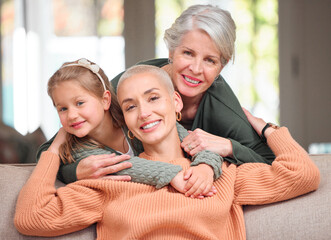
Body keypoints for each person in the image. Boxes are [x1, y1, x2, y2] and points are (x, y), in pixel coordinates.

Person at [15, 65, 320, 239]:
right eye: (132, 106)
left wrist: (267, 129)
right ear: (127, 122)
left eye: (153, 99)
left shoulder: (222, 176)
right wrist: (54, 149)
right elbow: (32, 217)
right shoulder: (113, 179)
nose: (144, 113)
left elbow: (303, 175)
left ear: (175, 103)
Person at [44, 4, 276, 183]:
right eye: (187, 53)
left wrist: (227, 147)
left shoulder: (222, 108)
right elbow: (50, 150)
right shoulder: (132, 86)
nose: (195, 69)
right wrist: (76, 171)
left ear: (221, 67)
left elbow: (270, 162)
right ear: (171, 50)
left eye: (209, 60)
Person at [39, 58, 222, 198]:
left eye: (79, 103)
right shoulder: (79, 149)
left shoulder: (133, 118)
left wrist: (206, 166)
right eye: (62, 108)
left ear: (105, 100)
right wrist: (172, 175)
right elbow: (125, 166)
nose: (71, 115)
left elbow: (192, 141)